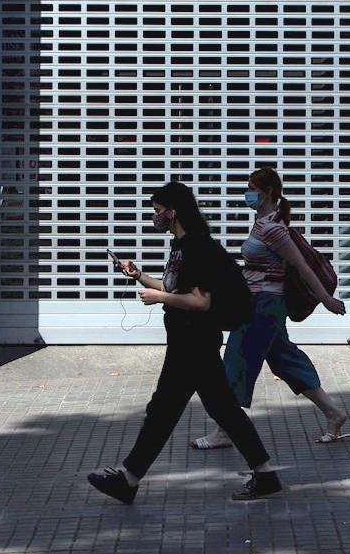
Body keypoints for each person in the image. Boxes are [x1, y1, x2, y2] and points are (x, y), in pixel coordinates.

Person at [87, 182, 281, 503]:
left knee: (163, 410)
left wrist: (157, 297)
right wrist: (139, 276)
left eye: (158, 210)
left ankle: (129, 479)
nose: (155, 216)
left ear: (174, 211)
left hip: (193, 342)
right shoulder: (179, 247)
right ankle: (265, 474)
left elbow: (200, 301)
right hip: (187, 341)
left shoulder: (198, 247)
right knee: (222, 410)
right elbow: (174, 287)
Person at [192, 167, 350, 450]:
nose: (247, 193)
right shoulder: (262, 222)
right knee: (285, 360)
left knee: (235, 361)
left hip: (263, 306)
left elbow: (301, 265)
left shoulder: (273, 228)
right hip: (261, 304)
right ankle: (334, 413)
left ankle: (225, 429)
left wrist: (326, 299)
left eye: (252, 188)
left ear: (267, 192)